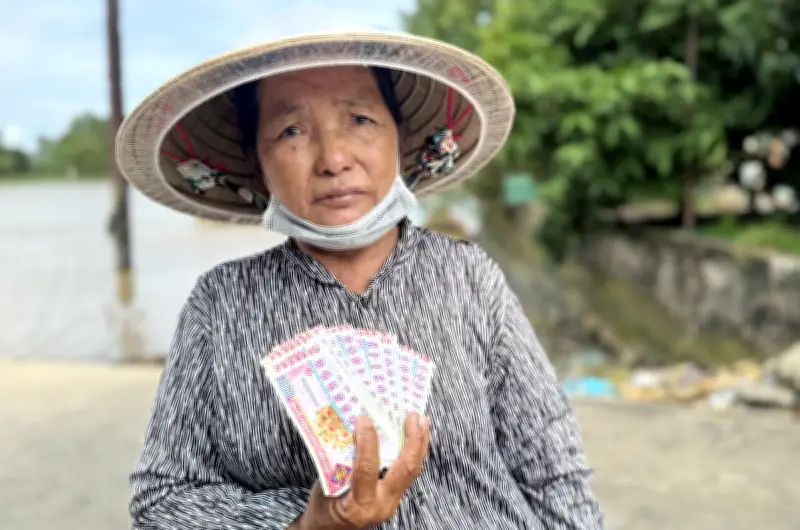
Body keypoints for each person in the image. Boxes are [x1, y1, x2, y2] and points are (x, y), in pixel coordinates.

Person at [118, 31, 605, 530]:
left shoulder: (469, 277)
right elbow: (161, 502)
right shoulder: (220, 304)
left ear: (400, 136)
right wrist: (304, 523)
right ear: (256, 161)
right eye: (291, 130)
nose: (333, 159)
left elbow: (554, 471)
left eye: (360, 119)